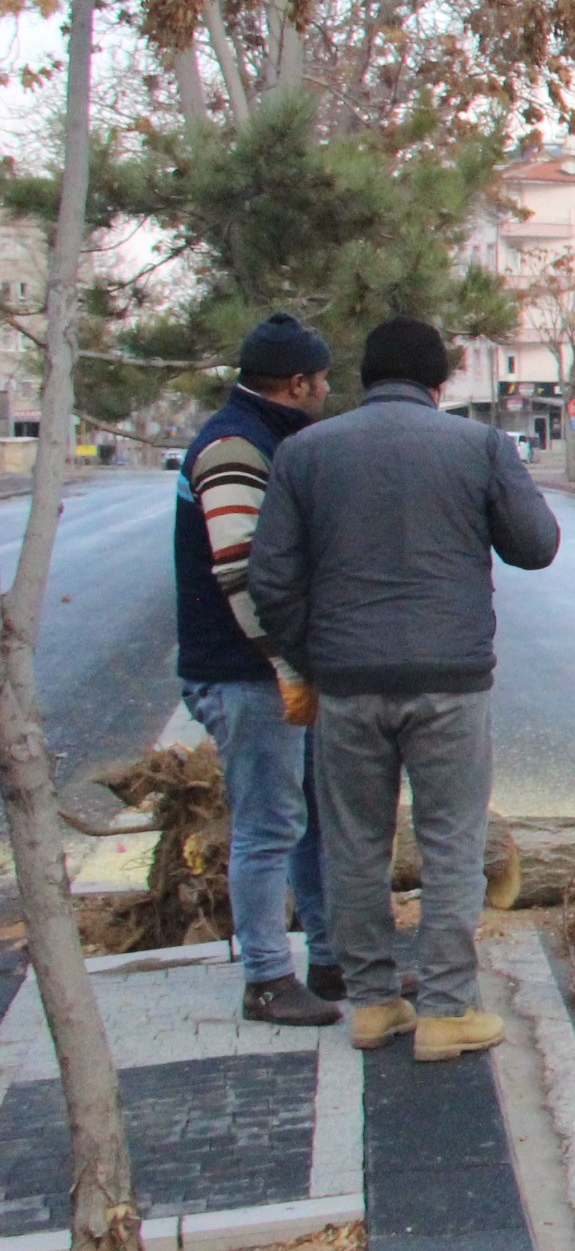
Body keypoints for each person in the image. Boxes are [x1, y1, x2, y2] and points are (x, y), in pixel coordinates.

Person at [251, 317, 561, 1061]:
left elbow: (271, 581)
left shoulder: (304, 452)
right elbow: (537, 546)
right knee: (450, 843)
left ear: (361, 378)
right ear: (439, 382)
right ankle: (447, 1010)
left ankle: (373, 1003)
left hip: (348, 685)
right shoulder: (478, 445)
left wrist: (314, 655)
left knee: (354, 844)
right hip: (450, 681)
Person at [175, 313, 341, 1026]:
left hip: (266, 668)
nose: (330, 388)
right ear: (298, 382)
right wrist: (289, 665)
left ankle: (331, 959)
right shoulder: (233, 448)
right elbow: (240, 573)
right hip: (248, 672)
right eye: (324, 377)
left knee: (312, 821)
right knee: (270, 825)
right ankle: (269, 980)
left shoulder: (265, 437)